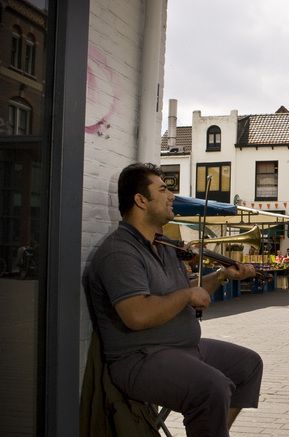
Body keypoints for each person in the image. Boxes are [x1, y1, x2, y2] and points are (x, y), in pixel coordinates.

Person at [85, 163, 263, 436]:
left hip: (182, 347)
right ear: (141, 200)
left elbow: (184, 292)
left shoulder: (163, 246)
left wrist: (221, 275)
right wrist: (187, 294)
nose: (172, 197)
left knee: (248, 365)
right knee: (212, 387)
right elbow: (138, 314)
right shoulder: (119, 253)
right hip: (140, 358)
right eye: (164, 190)